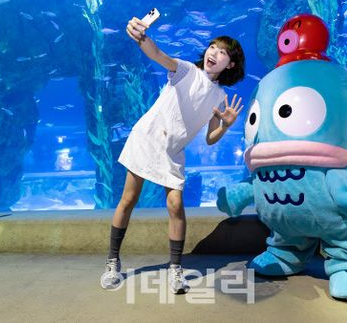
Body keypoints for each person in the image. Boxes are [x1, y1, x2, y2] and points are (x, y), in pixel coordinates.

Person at [100, 16, 246, 294]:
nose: (214, 53)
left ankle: (175, 270)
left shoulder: (218, 96)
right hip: (147, 138)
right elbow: (158, 55)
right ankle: (112, 262)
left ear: (231, 64)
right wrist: (141, 36)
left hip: (172, 151)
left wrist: (225, 126)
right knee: (128, 199)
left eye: (222, 52)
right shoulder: (187, 70)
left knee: (176, 205)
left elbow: (210, 139)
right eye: (213, 47)